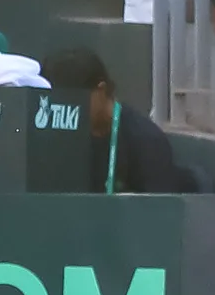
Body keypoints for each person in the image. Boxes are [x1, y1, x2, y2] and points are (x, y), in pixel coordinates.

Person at [66, 48, 180, 196]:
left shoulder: (147, 140)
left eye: (74, 102)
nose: (67, 111)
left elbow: (161, 214)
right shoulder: (61, 135)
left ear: (101, 90)